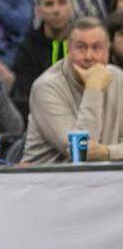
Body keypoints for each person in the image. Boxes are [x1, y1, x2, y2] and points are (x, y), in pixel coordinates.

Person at [23, 17, 123, 163]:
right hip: (48, 180)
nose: (89, 57)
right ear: (68, 50)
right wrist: (93, 88)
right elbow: (81, 153)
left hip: (105, 179)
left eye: (96, 48)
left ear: (108, 50)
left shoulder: (119, 78)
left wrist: (107, 152)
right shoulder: (46, 88)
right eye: (81, 48)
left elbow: (97, 154)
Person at [14, 0, 73, 118]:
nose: (56, 10)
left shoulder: (84, 43)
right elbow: (26, 94)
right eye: (49, 4)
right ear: (38, 11)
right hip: (40, 117)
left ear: (71, 8)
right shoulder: (27, 47)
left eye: (62, 3)